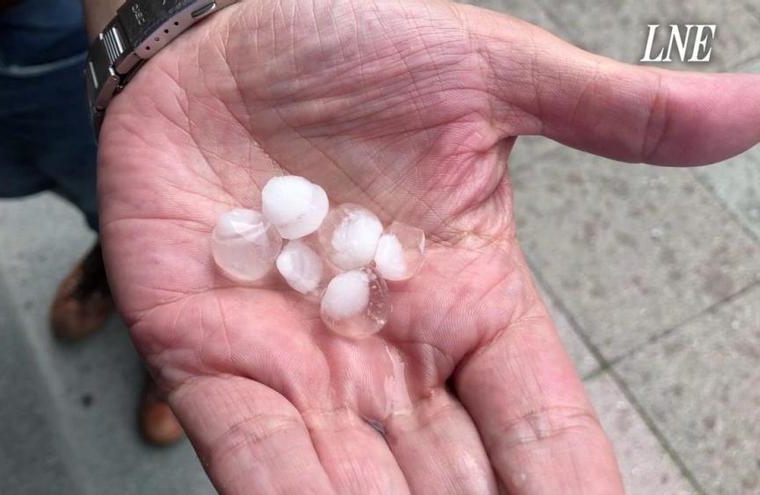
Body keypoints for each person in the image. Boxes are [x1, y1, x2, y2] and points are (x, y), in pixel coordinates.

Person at [92, 0, 760, 493]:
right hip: (86, 97)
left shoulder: (326, 253)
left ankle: (112, 269)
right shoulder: (302, 242)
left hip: (115, 69)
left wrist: (161, 29)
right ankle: (104, 261)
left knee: (111, 186)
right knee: (101, 189)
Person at [0, 0, 183, 445]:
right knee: (17, 179)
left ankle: (177, 339)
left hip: (34, 19)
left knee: (136, 184)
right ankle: (110, 259)